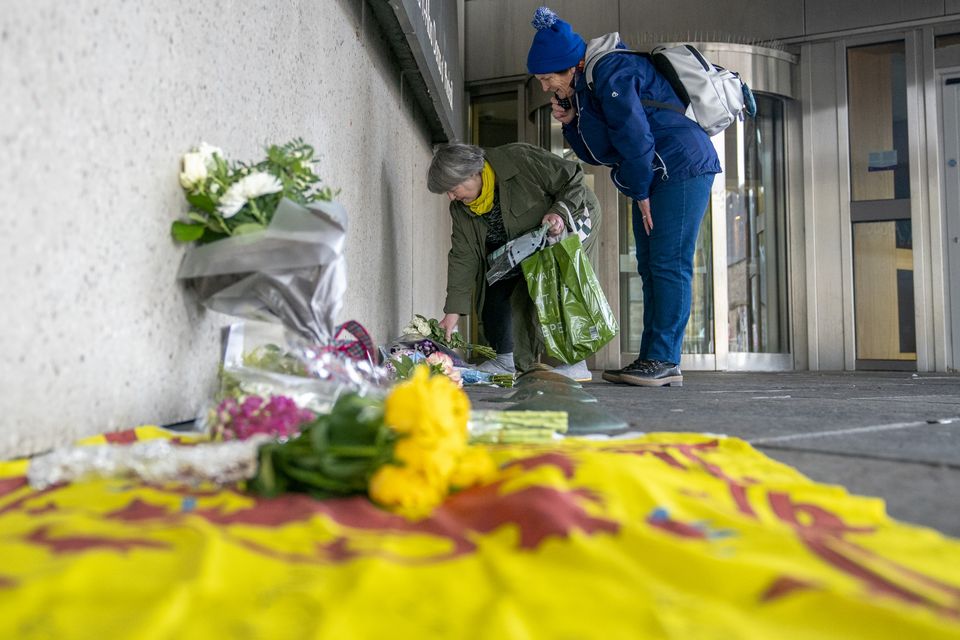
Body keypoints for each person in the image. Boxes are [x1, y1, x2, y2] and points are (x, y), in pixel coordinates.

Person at [526, 6, 721, 388]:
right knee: (649, 264)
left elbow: (635, 137)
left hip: (681, 166)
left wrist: (642, 190)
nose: (546, 87)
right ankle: (654, 358)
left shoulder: (611, 70)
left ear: (571, 66)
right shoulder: (586, 87)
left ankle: (665, 358)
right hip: (657, 171)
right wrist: (570, 124)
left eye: (548, 78)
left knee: (668, 262)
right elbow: (599, 154)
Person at [427, 142, 601, 381]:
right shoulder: (460, 209)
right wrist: (452, 312)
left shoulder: (518, 159)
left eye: (453, 188)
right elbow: (462, 257)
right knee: (495, 282)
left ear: (472, 173)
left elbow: (572, 177)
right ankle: (506, 360)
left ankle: (576, 361)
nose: (450, 196)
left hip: (573, 217)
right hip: (522, 242)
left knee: (558, 277)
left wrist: (560, 210)